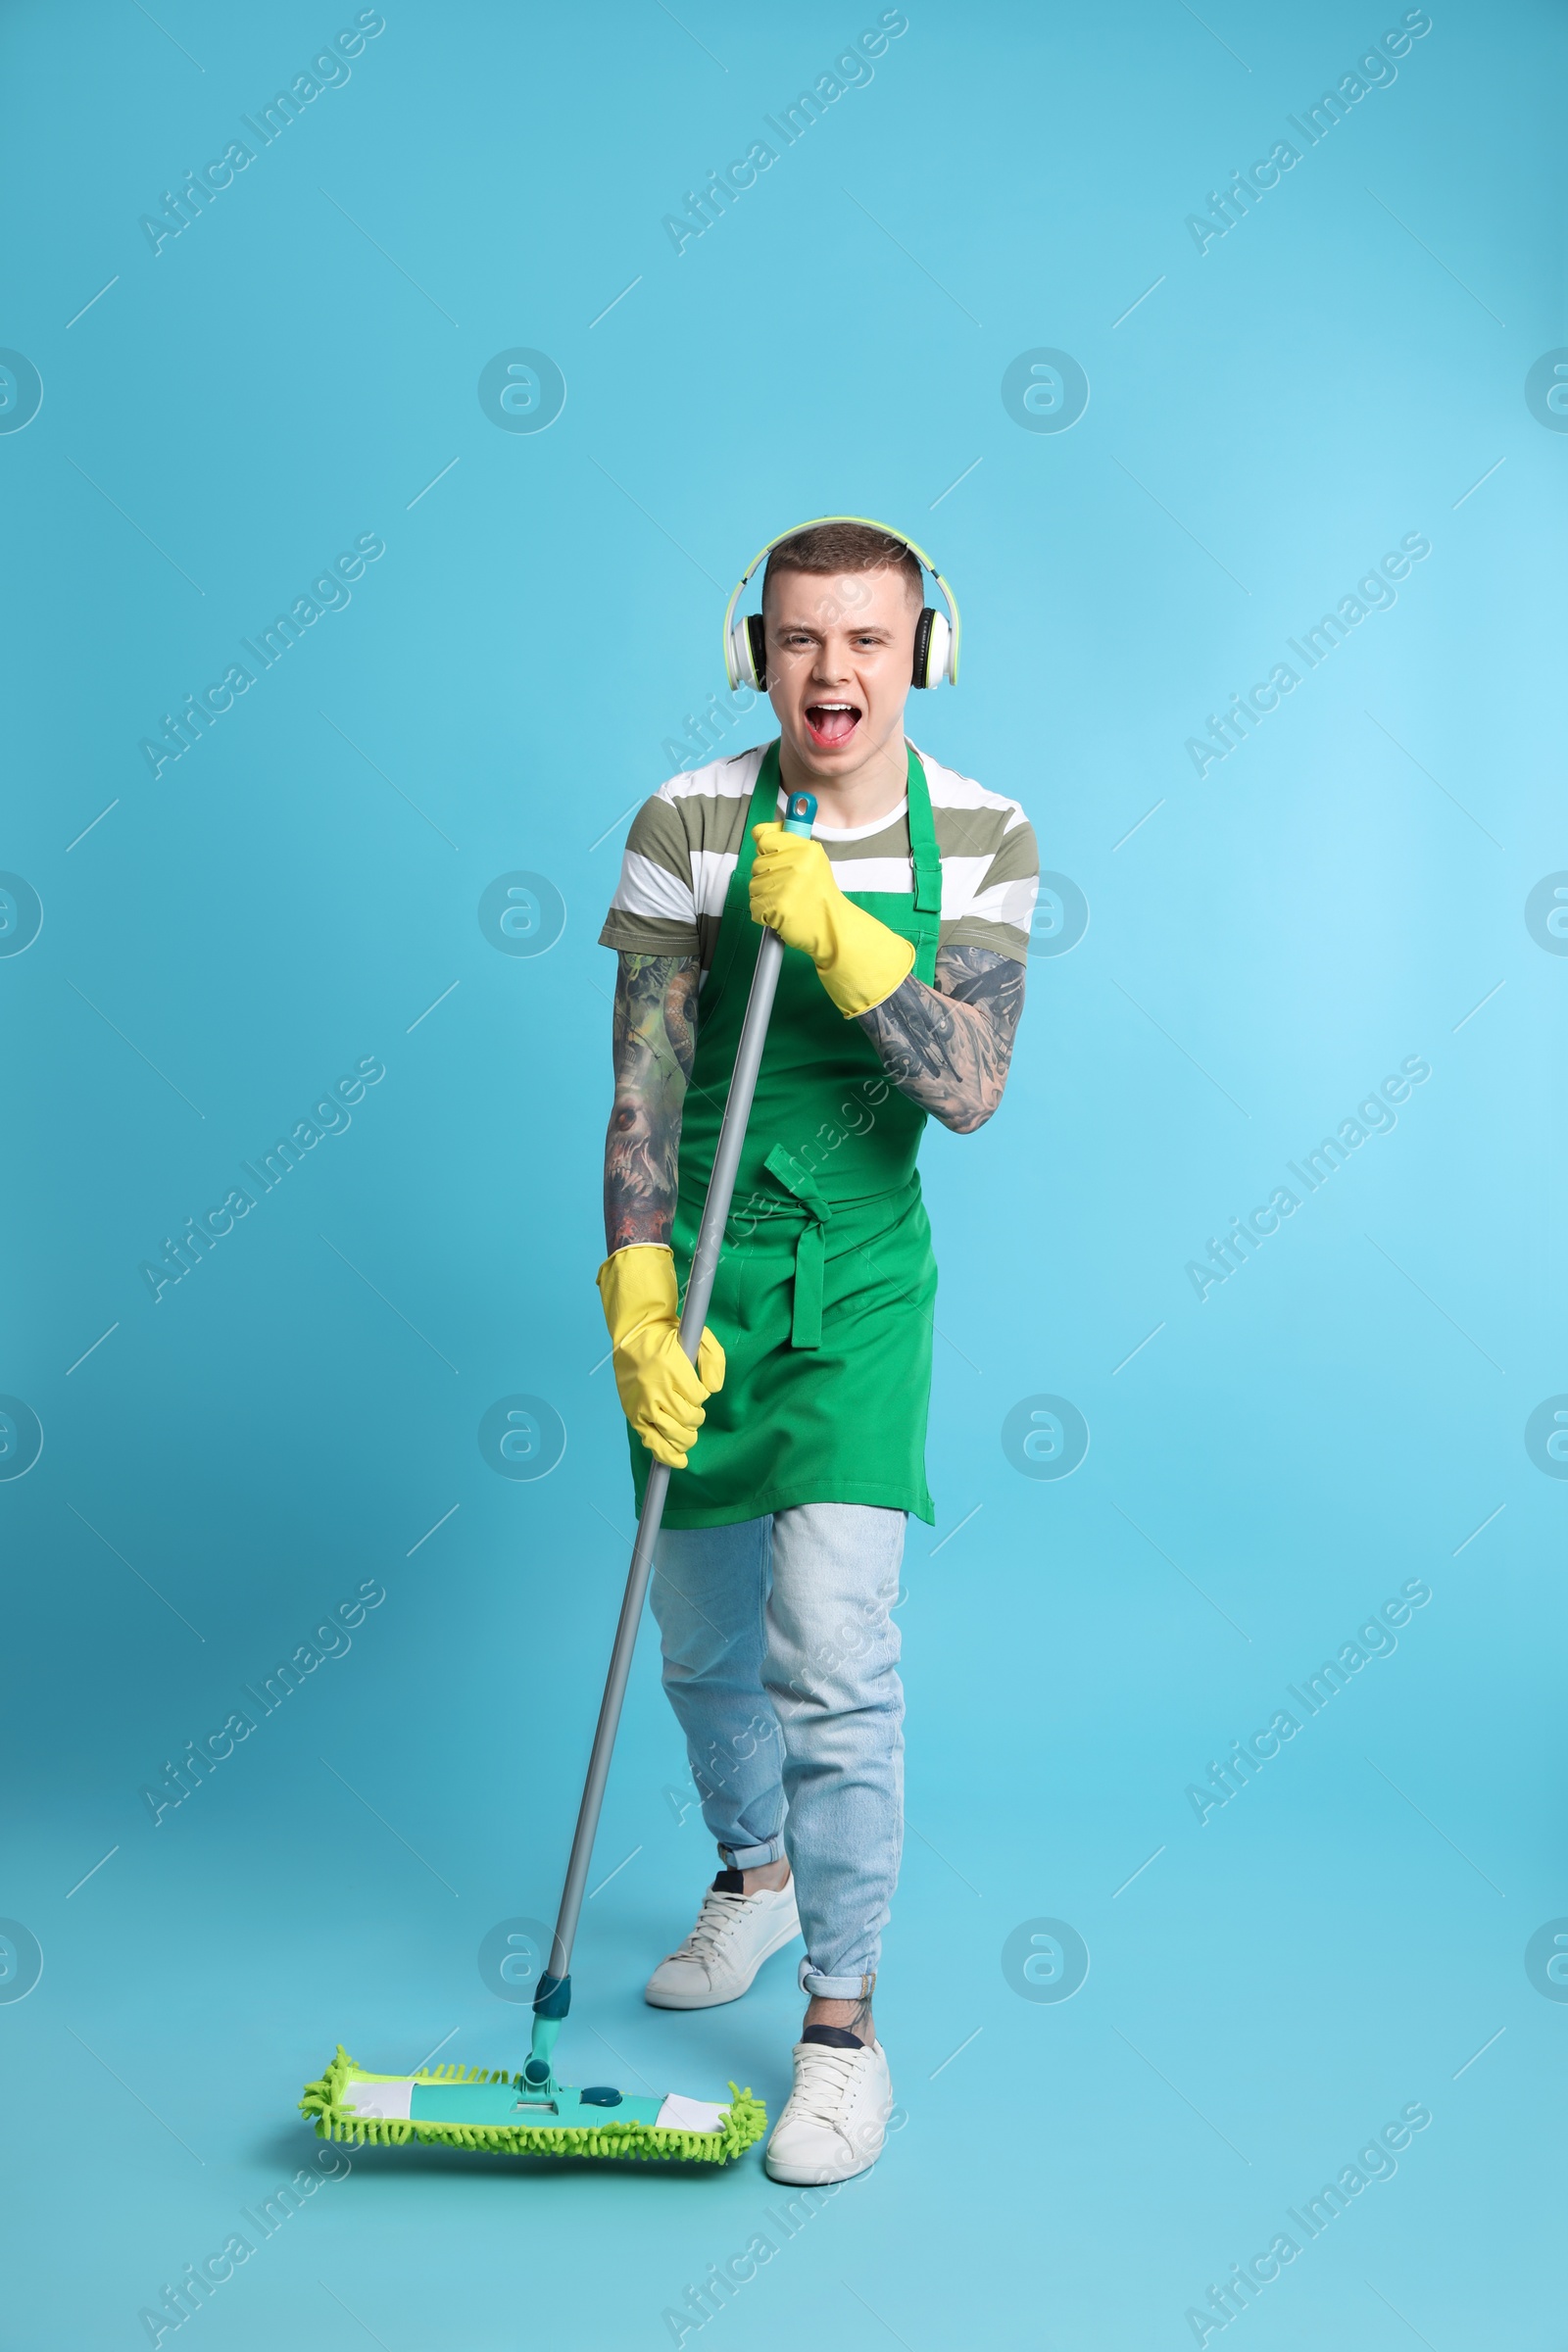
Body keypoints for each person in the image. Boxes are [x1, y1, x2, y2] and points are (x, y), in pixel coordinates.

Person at [595, 518, 1037, 2184]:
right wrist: (637, 1300)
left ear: (922, 647)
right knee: (701, 1642)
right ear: (751, 650)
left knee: (831, 1653)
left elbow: (971, 1087)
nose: (829, 674)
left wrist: (847, 936)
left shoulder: (984, 834)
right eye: (797, 640)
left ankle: (843, 2033)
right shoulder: (685, 824)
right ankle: (752, 1874)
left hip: (855, 1288)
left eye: (865, 641)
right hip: (703, 1282)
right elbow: (640, 1090)